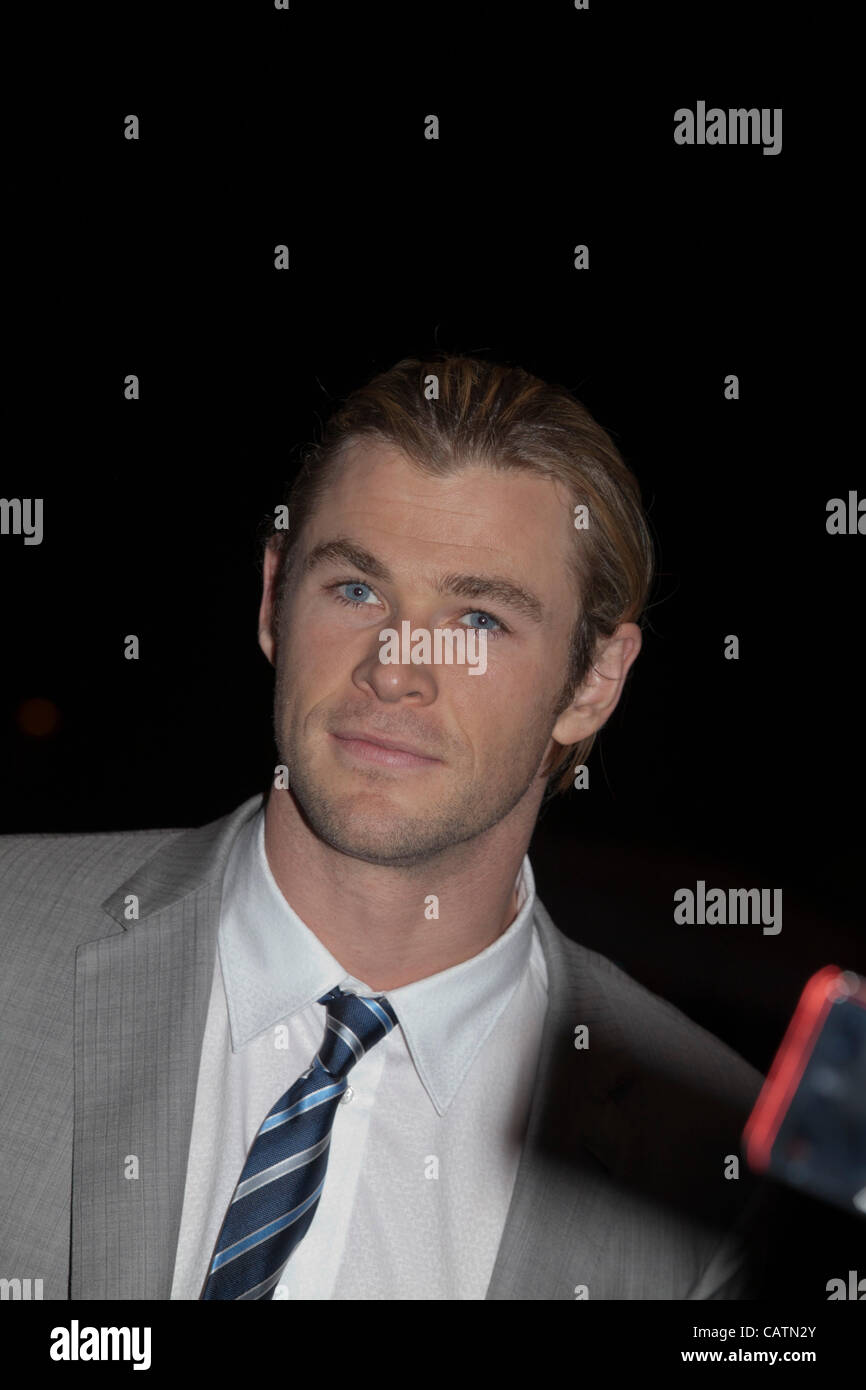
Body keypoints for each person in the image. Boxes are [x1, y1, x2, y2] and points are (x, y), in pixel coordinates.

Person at [0, 353, 770, 1300]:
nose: (397, 667)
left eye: (479, 618)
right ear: (275, 597)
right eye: (357, 591)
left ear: (594, 682)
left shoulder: (717, 1164)